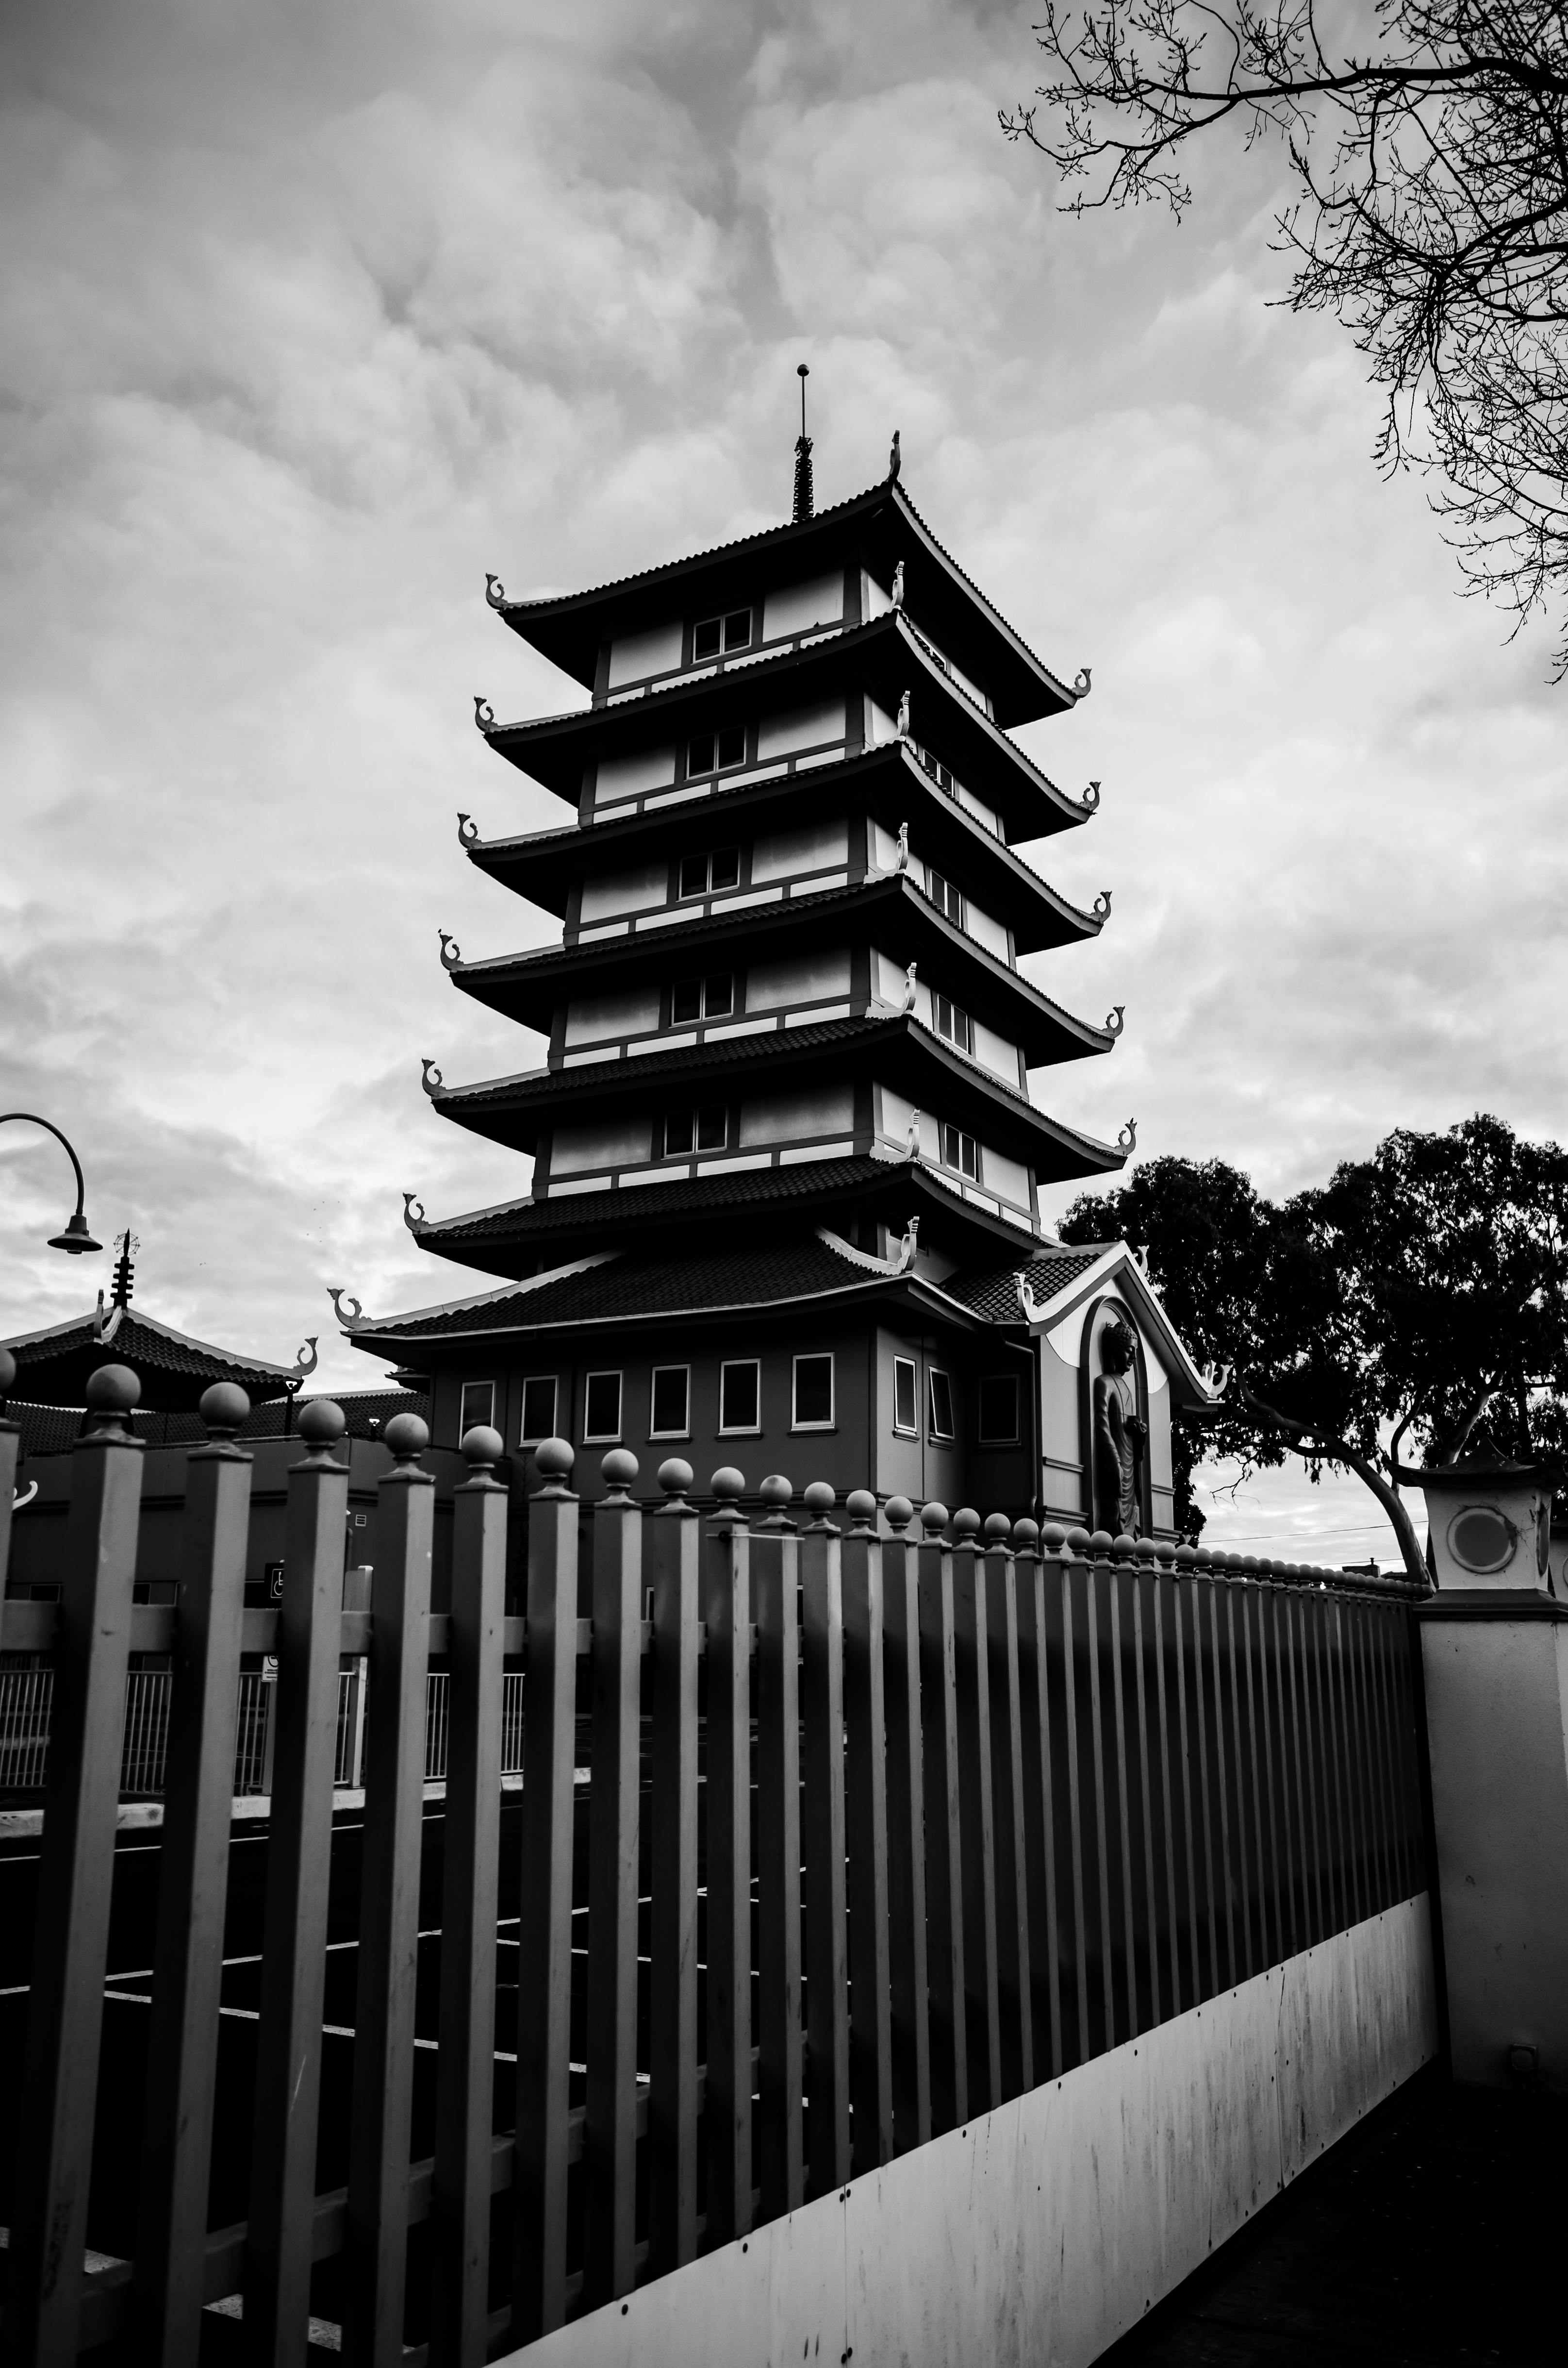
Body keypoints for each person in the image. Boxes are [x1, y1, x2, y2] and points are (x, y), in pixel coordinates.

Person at [1092, 1317, 1146, 1538]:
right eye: (1129, 1351)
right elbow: (1103, 1426)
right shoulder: (1104, 1383)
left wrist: (1139, 1432)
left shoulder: (1126, 1387)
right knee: (1116, 1518)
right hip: (1117, 1464)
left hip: (1130, 1463)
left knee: (1133, 1518)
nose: (1133, 1358)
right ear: (1114, 1350)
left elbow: (1127, 1429)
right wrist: (1114, 1461)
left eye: (1135, 1352)